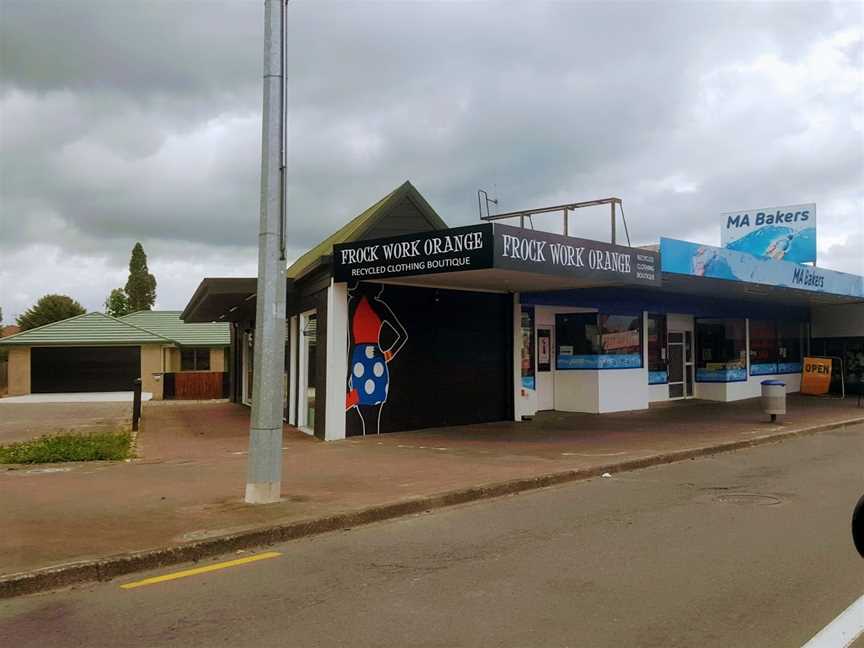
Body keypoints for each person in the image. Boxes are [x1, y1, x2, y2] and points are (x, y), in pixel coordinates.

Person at [345, 283, 408, 436]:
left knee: (371, 412)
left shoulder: (363, 304)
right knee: (366, 410)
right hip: (364, 363)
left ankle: (372, 444)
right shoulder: (359, 304)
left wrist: (386, 353)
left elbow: (402, 334)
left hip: (363, 362)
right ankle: (371, 444)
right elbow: (351, 342)